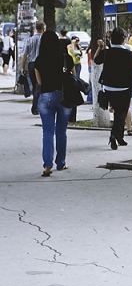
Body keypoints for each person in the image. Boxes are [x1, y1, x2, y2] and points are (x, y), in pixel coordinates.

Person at [94, 28, 132, 150]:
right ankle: (114, 135)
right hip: (123, 88)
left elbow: (96, 60)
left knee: (117, 111)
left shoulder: (107, 52)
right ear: (123, 40)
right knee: (122, 112)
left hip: (108, 87)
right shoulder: (128, 54)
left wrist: (100, 47)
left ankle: (120, 137)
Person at [34, 30, 73, 177]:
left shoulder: (39, 60)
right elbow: (73, 76)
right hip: (63, 98)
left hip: (46, 97)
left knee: (47, 131)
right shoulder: (65, 58)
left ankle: (47, 165)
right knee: (61, 131)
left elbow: (39, 82)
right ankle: (61, 162)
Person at [21, 21, 46, 115]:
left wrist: (23, 67)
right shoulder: (44, 39)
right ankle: (35, 107)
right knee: (40, 86)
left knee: (35, 85)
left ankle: (37, 106)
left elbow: (24, 55)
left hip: (31, 64)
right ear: (44, 29)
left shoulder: (29, 40)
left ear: (36, 29)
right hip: (42, 64)